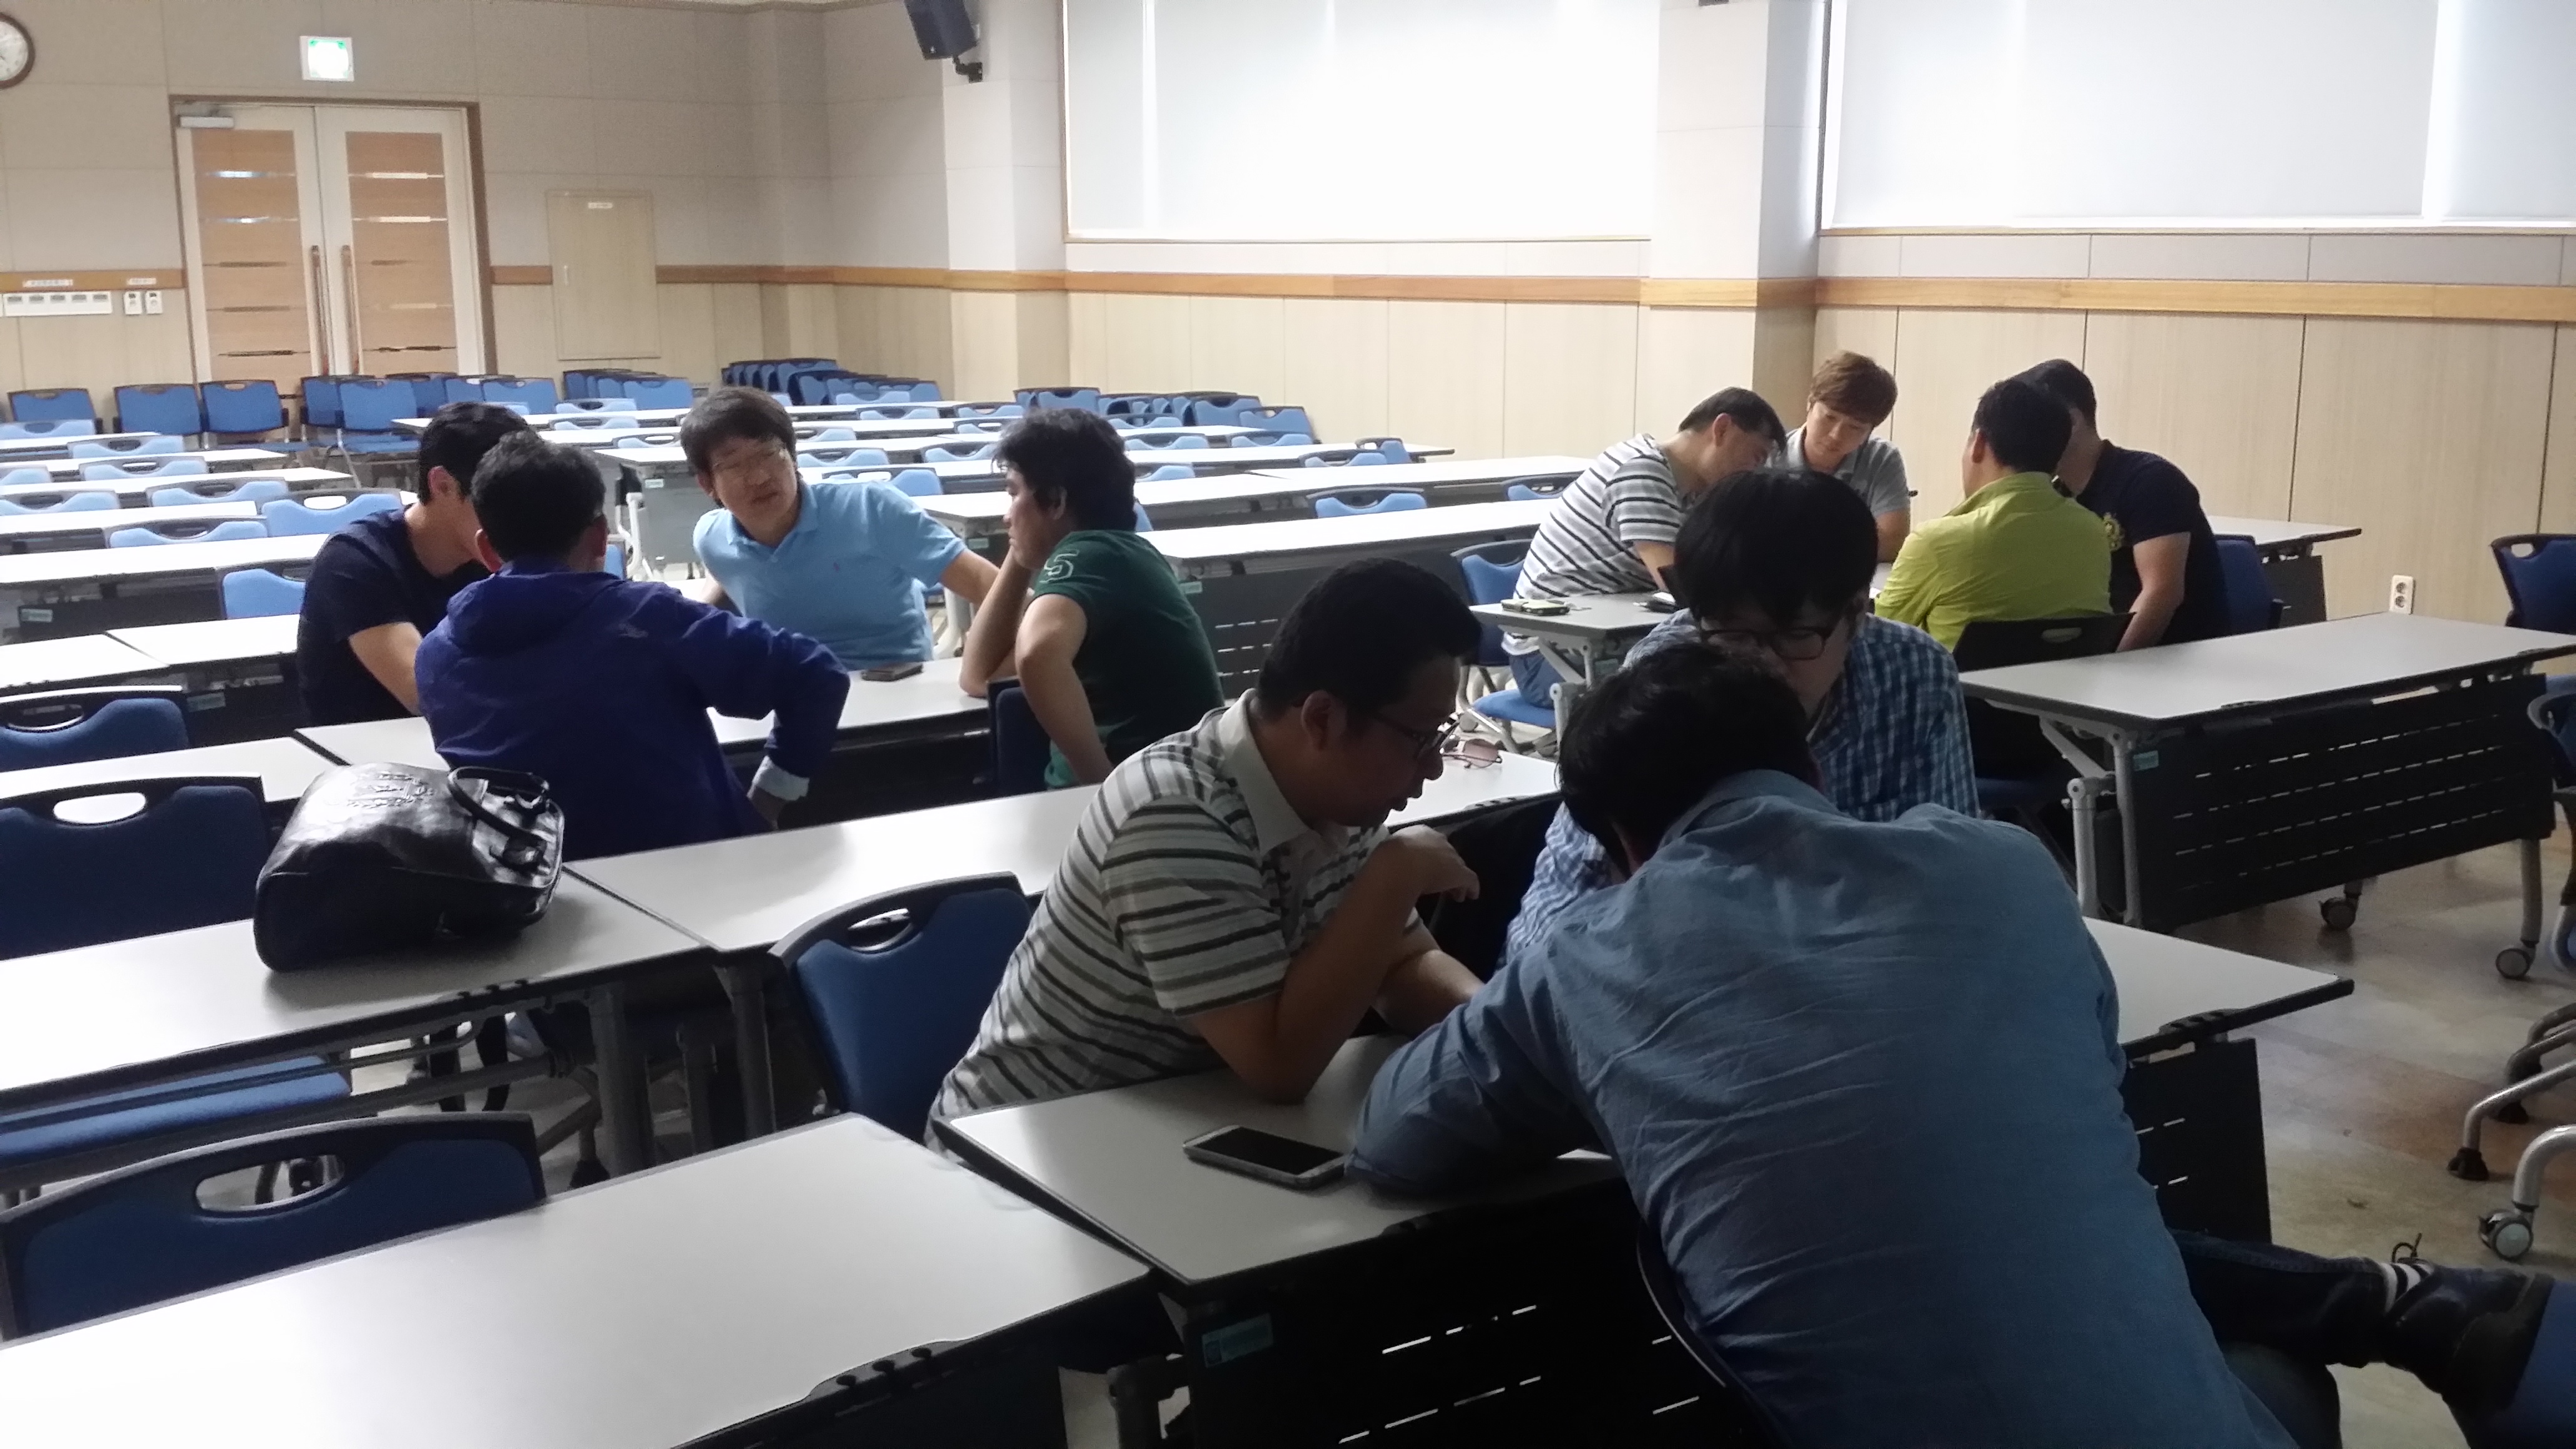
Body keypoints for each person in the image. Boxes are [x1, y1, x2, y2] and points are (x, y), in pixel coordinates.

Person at [1355, 642, 2555, 1448]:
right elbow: (2086, 1078)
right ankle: (2382, 1305)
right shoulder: (2003, 866)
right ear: (1810, 766)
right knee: (2251, 1363)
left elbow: (1395, 1137)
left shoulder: (1584, 960)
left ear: (1615, 842)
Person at [931, 559, 1486, 1123]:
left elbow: (1401, 964)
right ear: (1322, 719)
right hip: (1017, 1139)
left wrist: (1497, 1029)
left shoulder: (1337, 798)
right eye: (1421, 737)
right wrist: (1394, 876)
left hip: (1177, 1120)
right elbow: (1279, 1067)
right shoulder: (1175, 814)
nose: (1435, 767)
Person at [1504, 467, 1974, 964]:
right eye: (1733, 635)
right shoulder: (1666, 687)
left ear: (1857, 614)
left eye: (1792, 636)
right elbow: (1574, 894)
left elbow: (1951, 867)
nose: (1761, 664)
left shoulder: (1913, 674)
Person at [416, 432, 849, 861]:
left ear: (487, 550)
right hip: (699, 876)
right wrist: (768, 799)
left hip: (535, 884)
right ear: (601, 537)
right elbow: (816, 674)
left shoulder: (435, 654)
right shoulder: (646, 619)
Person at [957, 408, 1224, 788]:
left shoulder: (1088, 557)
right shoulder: (1117, 554)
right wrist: (1020, 554)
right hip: (1162, 786)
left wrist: (1100, 785)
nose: (1006, 516)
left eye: (1014, 494)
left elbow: (1036, 655)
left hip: (1136, 797)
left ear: (1056, 501)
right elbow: (978, 677)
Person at [1503, 387, 1785, 709]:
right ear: (1722, 429)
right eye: (1756, 456)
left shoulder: (1692, 490)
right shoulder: (1641, 470)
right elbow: (1679, 582)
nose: (1754, 471)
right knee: (1720, 685)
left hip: (1608, 637)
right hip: (1551, 655)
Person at [684, 387, 998, 670]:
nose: (759, 477)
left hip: (893, 689)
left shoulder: (870, 509)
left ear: (793, 457)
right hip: (792, 693)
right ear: (707, 484)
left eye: (769, 454)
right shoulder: (712, 538)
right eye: (734, 466)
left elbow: (986, 584)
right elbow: (728, 572)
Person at [296, 401, 528, 724]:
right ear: (443, 486)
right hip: (367, 748)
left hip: (474, 735)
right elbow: (425, 693)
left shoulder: (499, 552)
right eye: (500, 501)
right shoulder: (354, 560)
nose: (519, 519)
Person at [1874, 375, 2114, 650]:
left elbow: (1873, 639)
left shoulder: (1936, 543)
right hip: (2067, 679)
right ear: (2057, 460)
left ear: (1978, 444)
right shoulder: (2092, 531)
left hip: (1958, 679)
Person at [2018, 358, 2232, 649]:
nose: (2023, 440)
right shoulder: (2054, 495)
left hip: (2175, 658)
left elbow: (2162, 593)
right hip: (2099, 654)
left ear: (2072, 422)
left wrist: (2114, 664)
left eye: (2032, 426)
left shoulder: (2151, 481)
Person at [1778, 350, 1911, 561]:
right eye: (1829, 417)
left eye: (1855, 427)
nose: (1836, 435)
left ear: (1870, 430)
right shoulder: (1770, 453)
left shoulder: (1881, 458)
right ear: (1810, 404)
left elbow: (1892, 542)